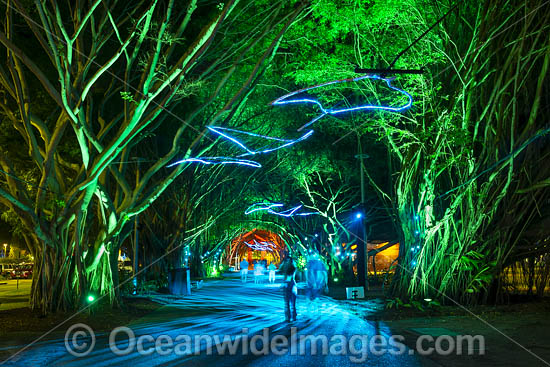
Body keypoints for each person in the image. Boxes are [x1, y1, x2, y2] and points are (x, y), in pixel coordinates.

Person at [282, 258, 297, 322]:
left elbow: (288, 277)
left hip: (288, 285)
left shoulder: (288, 268)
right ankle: (293, 316)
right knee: (292, 303)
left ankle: (288, 317)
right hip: (291, 285)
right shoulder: (293, 268)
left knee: (287, 302)